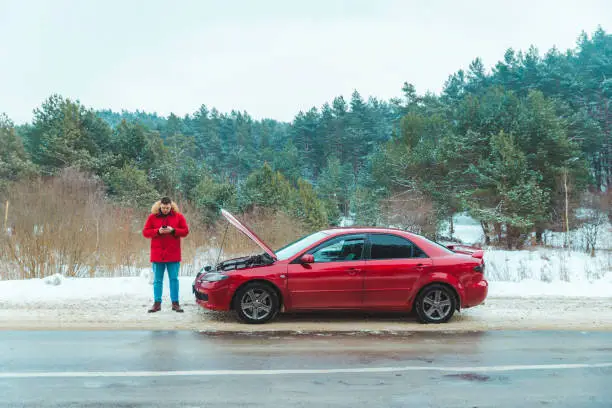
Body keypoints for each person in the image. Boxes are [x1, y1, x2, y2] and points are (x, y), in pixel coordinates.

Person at [142, 196, 189, 313]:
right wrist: (157, 231)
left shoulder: (178, 216)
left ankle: (175, 303)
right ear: (160, 206)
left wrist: (173, 230)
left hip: (173, 254)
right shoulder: (152, 217)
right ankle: (157, 304)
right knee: (157, 280)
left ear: (171, 206)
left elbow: (185, 231)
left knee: (174, 279)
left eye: (167, 208)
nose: (165, 210)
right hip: (158, 255)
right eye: (163, 208)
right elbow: (145, 232)